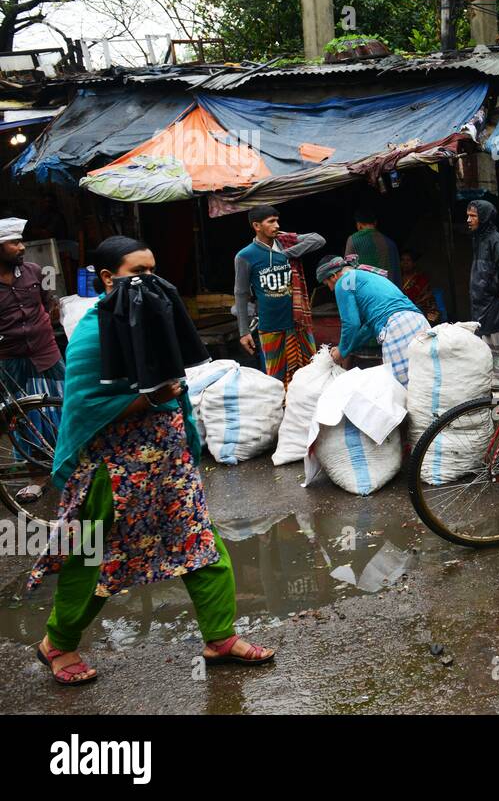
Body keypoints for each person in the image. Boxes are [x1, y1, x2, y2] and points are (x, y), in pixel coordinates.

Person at [28, 236, 274, 686]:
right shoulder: (92, 330)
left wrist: (173, 414)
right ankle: (57, 643)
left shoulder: (155, 318)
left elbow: (175, 385)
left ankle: (219, 638)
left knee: (200, 545)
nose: (150, 281)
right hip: (114, 471)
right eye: (137, 272)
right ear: (107, 278)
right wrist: (150, 400)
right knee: (94, 558)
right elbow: (85, 407)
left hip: (166, 463)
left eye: (154, 270)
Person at [0, 218, 64, 504]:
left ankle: (70, 466)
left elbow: (50, 302)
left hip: (45, 351)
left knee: (62, 405)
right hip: (11, 359)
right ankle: (37, 476)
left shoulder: (34, 271)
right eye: (14, 243)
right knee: (22, 417)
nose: (22, 247)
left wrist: (48, 323)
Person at [234, 206, 324, 386]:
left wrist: (286, 254)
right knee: (276, 379)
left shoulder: (286, 243)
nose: (277, 225)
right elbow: (241, 294)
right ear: (257, 226)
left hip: (298, 322)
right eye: (271, 221)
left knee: (311, 373)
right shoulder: (245, 256)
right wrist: (244, 332)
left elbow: (318, 239)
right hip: (270, 326)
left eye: (277, 220)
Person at [317, 255, 427, 386]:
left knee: (402, 390)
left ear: (333, 276)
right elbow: (368, 328)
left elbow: (351, 324)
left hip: (398, 328)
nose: (330, 288)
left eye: (327, 283)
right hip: (419, 322)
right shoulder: (362, 275)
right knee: (425, 381)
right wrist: (345, 349)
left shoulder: (343, 282)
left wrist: (341, 352)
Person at [467, 200, 499, 390]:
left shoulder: (494, 239)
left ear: (484, 217)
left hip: (494, 310)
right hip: (482, 308)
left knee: (498, 360)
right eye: (469, 215)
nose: (468, 220)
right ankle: (495, 402)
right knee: (487, 358)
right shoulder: (479, 239)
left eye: (473, 216)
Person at [344, 206, 401, 281]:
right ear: (375, 222)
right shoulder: (390, 243)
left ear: (359, 224)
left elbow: (348, 267)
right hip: (389, 288)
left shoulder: (353, 239)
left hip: (367, 287)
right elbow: (396, 272)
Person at [399, 248, 444, 324]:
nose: (405, 263)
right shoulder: (397, 277)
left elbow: (426, 299)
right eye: (402, 260)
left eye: (408, 260)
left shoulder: (421, 280)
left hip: (421, 310)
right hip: (401, 311)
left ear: (414, 263)